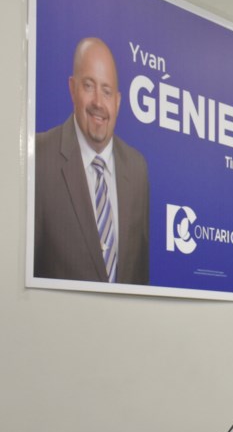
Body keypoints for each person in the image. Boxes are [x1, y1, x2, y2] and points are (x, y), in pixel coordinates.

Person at [34, 37, 150, 284]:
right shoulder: (39, 155)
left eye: (106, 91)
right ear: (72, 88)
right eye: (89, 86)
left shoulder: (137, 168)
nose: (99, 102)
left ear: (118, 102)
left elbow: (139, 279)